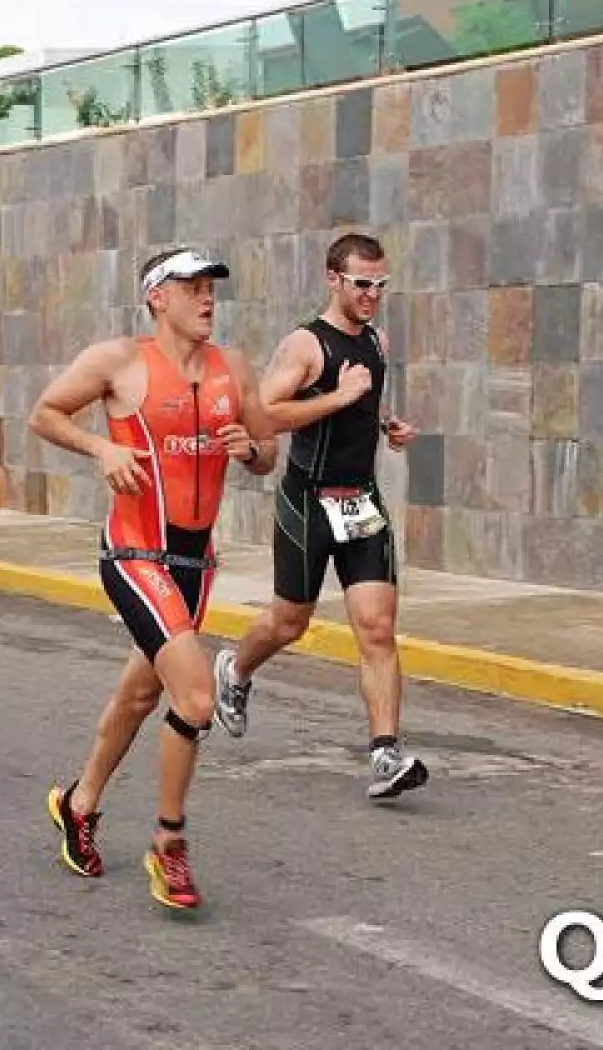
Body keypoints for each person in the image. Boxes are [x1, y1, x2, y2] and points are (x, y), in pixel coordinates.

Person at [29, 246, 279, 910]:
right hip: (136, 553)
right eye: (191, 287)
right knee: (195, 699)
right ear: (156, 297)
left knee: (142, 695)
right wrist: (102, 446)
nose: (206, 299)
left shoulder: (234, 369)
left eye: (211, 289)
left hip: (195, 563)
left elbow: (267, 452)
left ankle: (78, 804)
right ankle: (170, 844)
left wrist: (249, 449)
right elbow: (45, 412)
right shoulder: (119, 360)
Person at [211, 232, 429, 800]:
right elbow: (264, 414)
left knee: (378, 629)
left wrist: (386, 424)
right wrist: (337, 397)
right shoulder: (307, 345)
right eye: (362, 284)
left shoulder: (376, 341)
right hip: (307, 500)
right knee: (290, 622)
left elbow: (364, 401)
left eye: (381, 285)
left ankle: (386, 753)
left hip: (361, 500)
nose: (372, 295)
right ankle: (235, 671)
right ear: (333, 278)